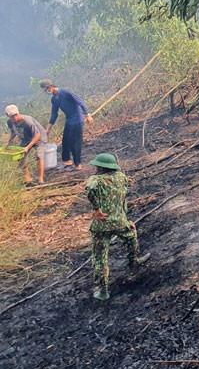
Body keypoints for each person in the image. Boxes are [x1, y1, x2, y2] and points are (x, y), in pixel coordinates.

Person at [85, 153, 149, 301]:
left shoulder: (95, 179)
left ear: (101, 167)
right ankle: (133, 261)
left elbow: (90, 189)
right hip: (119, 221)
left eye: (97, 166)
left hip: (101, 224)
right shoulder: (121, 177)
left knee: (100, 258)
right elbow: (123, 197)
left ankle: (103, 291)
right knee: (131, 235)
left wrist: (96, 209)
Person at [40, 79, 93, 170]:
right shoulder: (54, 100)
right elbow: (54, 114)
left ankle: (78, 164)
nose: (46, 92)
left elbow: (80, 102)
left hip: (77, 120)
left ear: (50, 87)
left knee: (75, 142)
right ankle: (67, 162)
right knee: (65, 141)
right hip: (69, 120)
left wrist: (87, 115)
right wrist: (48, 129)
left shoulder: (66, 93)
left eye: (46, 90)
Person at [5, 105, 47, 184]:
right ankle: (28, 178)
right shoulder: (10, 122)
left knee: (39, 156)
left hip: (39, 137)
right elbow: (13, 132)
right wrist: (9, 141)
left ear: (18, 113)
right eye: (12, 116)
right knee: (20, 156)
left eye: (16, 115)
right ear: (8, 116)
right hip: (26, 138)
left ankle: (41, 179)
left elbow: (37, 135)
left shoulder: (27, 121)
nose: (14, 117)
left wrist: (28, 147)